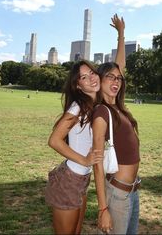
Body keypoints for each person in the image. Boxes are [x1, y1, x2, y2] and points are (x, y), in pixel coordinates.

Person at [45, 13, 126, 235]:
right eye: (83, 77)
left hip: (81, 179)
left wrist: (121, 35)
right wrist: (85, 159)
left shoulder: (97, 101)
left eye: (91, 72)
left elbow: (118, 68)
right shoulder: (78, 107)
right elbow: (54, 140)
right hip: (70, 179)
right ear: (78, 86)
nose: (90, 77)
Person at [92, 22, 141, 234]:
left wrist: (121, 34)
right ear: (99, 81)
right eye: (110, 77)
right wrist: (103, 208)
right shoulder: (102, 112)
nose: (116, 80)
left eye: (118, 78)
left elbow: (120, 66)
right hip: (118, 195)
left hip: (133, 191)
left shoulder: (118, 107)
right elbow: (97, 164)